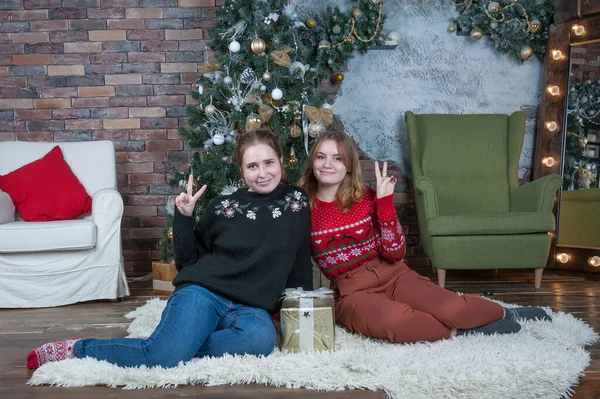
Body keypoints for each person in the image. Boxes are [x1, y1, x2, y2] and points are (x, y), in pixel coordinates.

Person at [27, 128, 313, 369]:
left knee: (261, 341)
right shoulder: (224, 208)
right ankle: (80, 349)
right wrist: (185, 217)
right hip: (204, 292)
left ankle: (176, 343)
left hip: (250, 309)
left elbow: (299, 261)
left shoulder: (296, 202)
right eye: (252, 166)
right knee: (163, 357)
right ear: (241, 171)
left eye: (269, 163)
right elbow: (188, 263)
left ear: (281, 164)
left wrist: (305, 313)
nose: (262, 173)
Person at [298, 131, 551, 344]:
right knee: (396, 320)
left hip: (392, 273)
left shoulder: (366, 197)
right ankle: (461, 332)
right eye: (321, 157)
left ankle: (505, 313)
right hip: (351, 291)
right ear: (312, 162)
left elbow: (395, 253)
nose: (327, 164)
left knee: (453, 308)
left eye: (337, 158)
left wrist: (384, 203)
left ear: (349, 166)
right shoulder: (299, 206)